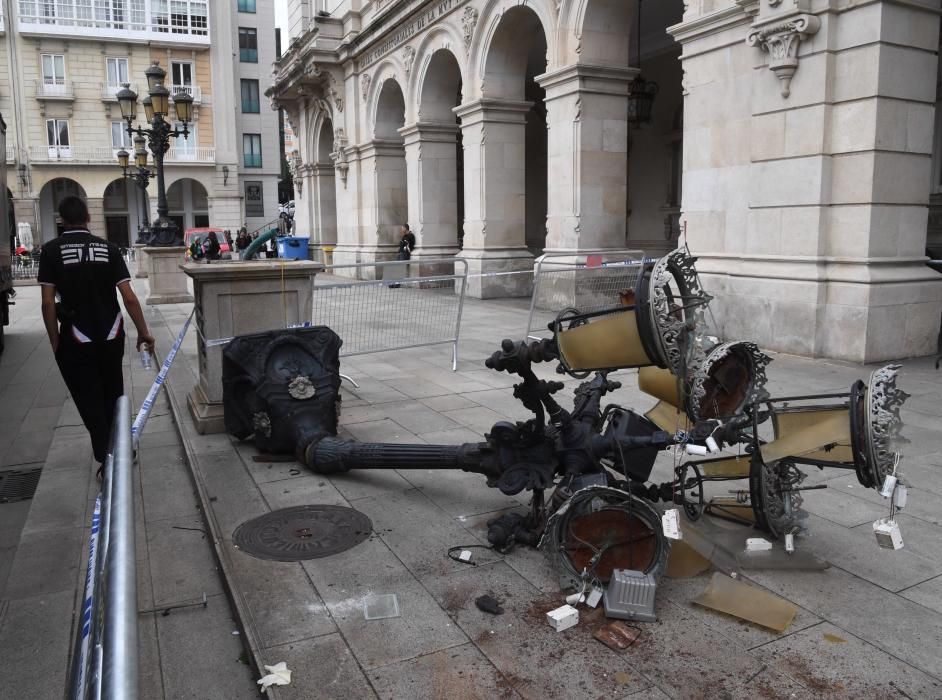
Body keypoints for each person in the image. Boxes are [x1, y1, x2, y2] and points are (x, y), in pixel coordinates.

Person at [38, 195, 155, 472]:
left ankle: (107, 458)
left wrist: (55, 339)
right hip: (111, 333)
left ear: (61, 220)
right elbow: (129, 298)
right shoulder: (109, 249)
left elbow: (46, 302)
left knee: (88, 398)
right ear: (89, 217)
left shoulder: (52, 251)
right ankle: (121, 448)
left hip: (76, 338)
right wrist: (143, 333)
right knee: (114, 393)